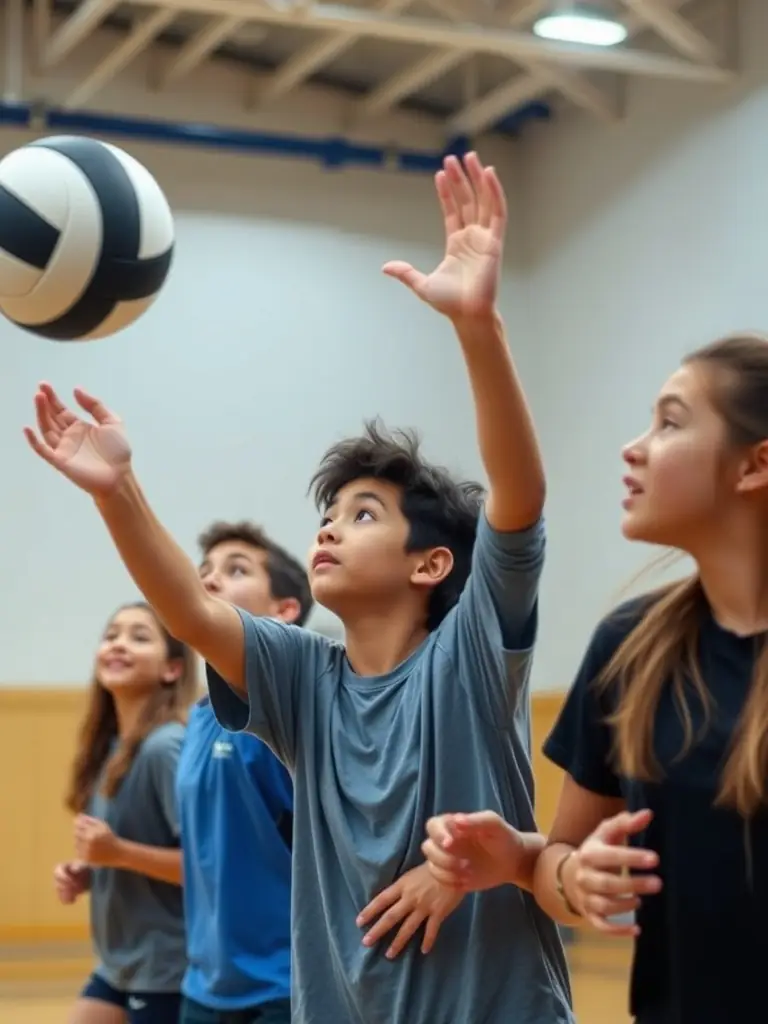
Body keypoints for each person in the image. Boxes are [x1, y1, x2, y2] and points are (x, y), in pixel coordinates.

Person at [25, 152, 573, 1024]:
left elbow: (519, 500)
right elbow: (193, 610)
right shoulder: (305, 681)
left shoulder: (469, 656)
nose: (327, 528)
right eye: (328, 514)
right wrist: (116, 493)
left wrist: (477, 324)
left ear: (431, 564)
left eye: (361, 515)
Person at [420, 334, 768, 1024]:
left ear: (755, 464)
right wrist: (560, 873)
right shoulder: (631, 647)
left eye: (671, 422)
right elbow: (560, 863)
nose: (633, 447)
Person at [177, 520, 310, 1024]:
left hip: (283, 985)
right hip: (204, 985)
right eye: (204, 571)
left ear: (285, 611)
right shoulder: (196, 719)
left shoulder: (287, 713)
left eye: (235, 570)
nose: (209, 580)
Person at [53, 601, 198, 1024]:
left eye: (139, 637)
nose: (118, 645)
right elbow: (133, 851)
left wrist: (117, 854)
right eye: (112, 635)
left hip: (167, 971)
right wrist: (91, 871)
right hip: (119, 966)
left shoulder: (165, 747)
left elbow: (205, 869)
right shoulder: (113, 747)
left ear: (171, 669)